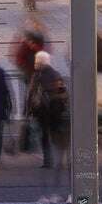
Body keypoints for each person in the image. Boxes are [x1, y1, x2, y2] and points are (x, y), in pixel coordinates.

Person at [27, 50, 69, 187]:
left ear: (39, 63)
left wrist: (28, 110)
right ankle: (59, 158)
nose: (34, 64)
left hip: (42, 111)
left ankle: (48, 160)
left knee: (44, 135)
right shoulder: (56, 74)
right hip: (55, 111)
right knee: (55, 134)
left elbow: (31, 93)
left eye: (36, 62)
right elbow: (63, 92)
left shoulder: (37, 76)